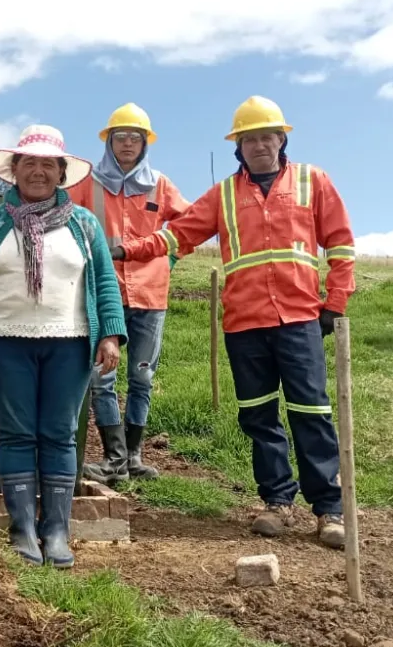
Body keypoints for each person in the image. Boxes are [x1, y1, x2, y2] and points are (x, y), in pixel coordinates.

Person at [112, 96, 356, 549]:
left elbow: (340, 244)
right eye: (249, 140)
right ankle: (277, 504)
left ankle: (329, 510)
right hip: (244, 324)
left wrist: (336, 302)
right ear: (237, 148)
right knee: (259, 416)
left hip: (300, 318)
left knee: (312, 412)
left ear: (281, 140)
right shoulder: (224, 195)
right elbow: (177, 235)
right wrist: (128, 249)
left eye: (267, 137)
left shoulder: (312, 181)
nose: (260, 146)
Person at [0, 124, 127, 569]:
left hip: (69, 343)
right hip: (7, 341)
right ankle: (23, 528)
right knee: (16, 433)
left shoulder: (85, 225)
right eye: (30, 163)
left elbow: (103, 281)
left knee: (60, 434)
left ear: (61, 173)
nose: (39, 172)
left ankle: (57, 531)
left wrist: (110, 333)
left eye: (49, 164)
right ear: (15, 170)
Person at [68, 102, 191, 486]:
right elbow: (66, 221)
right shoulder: (88, 183)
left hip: (151, 297)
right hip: (105, 294)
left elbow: (190, 226)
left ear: (144, 144)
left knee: (142, 377)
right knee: (102, 377)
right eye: (120, 137)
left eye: (134, 138)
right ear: (109, 141)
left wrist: (169, 258)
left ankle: (133, 456)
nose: (127, 144)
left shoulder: (161, 185)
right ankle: (113, 457)